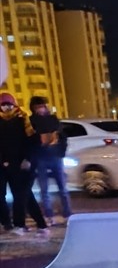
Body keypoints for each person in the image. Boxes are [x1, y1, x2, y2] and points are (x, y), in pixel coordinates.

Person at [0, 93, 49, 236]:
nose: (6, 108)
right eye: (3, 105)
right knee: (21, 196)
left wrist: (28, 159)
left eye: (9, 104)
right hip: (5, 165)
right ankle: (35, 225)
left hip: (22, 165)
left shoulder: (24, 119)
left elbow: (33, 142)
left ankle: (22, 225)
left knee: (22, 195)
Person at [29, 96, 71, 226]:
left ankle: (68, 214)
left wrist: (61, 152)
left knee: (62, 188)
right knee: (44, 190)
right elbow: (30, 140)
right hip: (41, 158)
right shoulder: (31, 121)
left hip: (56, 157)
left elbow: (62, 137)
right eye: (37, 107)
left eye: (41, 106)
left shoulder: (53, 119)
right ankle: (48, 215)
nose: (40, 109)